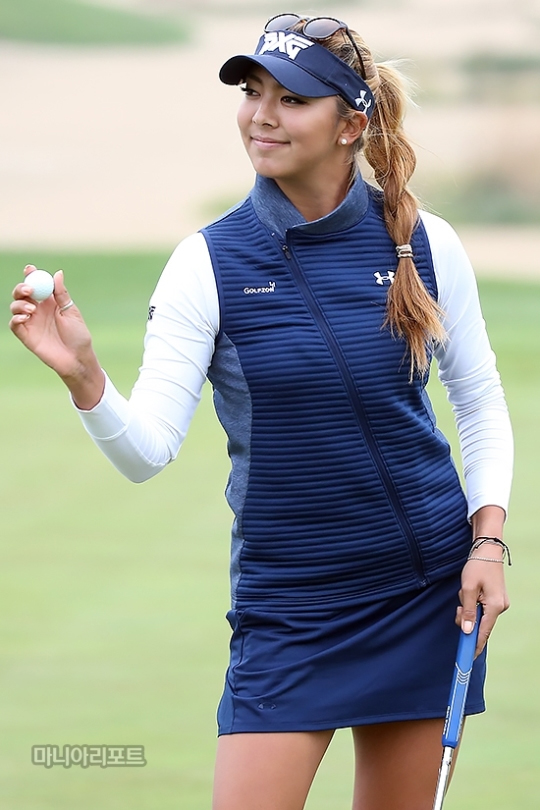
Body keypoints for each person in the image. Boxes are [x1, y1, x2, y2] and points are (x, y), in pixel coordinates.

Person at [10, 13, 513, 810]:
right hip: (289, 607)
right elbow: (147, 452)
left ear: (351, 125)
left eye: (292, 99)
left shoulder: (425, 243)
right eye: (252, 92)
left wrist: (488, 543)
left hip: (422, 589)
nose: (261, 115)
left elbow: (478, 400)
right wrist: (85, 377)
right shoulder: (205, 263)